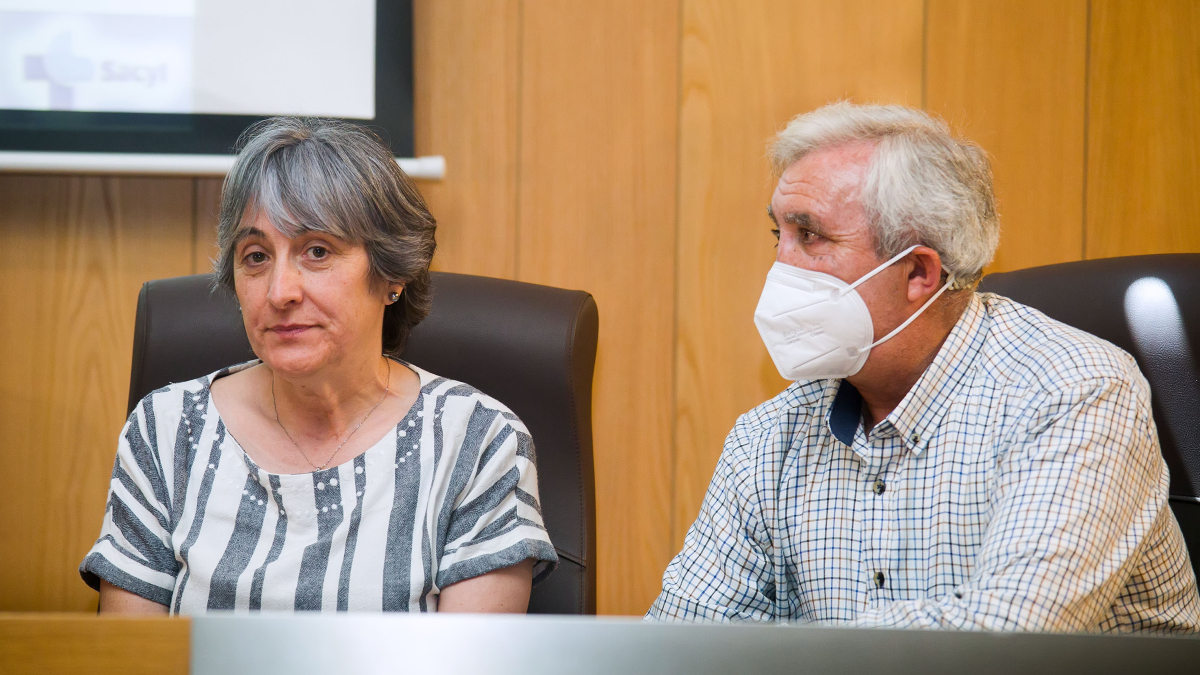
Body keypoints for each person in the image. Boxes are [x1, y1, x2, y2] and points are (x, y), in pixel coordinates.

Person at [647, 102, 1200, 632]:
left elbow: (1008, 638)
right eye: (779, 234)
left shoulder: (1076, 392)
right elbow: (680, 639)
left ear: (917, 273)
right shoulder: (771, 436)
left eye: (809, 235)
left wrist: (783, 653)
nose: (779, 265)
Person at [80, 118, 556, 614]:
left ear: (392, 273)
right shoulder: (167, 429)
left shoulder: (476, 441)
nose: (280, 291)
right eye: (257, 256)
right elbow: (130, 659)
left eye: (317, 251)